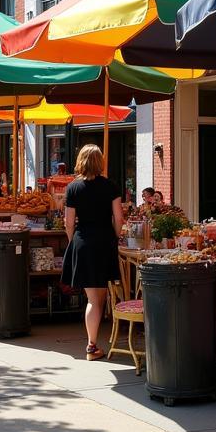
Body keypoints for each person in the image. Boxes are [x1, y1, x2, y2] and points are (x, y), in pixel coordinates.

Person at [62, 145, 125, 361]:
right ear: (100, 162)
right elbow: (119, 219)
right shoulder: (111, 186)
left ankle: (92, 344)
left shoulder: (73, 188)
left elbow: (68, 223)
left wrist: (73, 241)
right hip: (105, 241)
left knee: (93, 298)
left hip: (83, 241)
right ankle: (91, 346)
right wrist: (115, 237)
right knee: (99, 296)